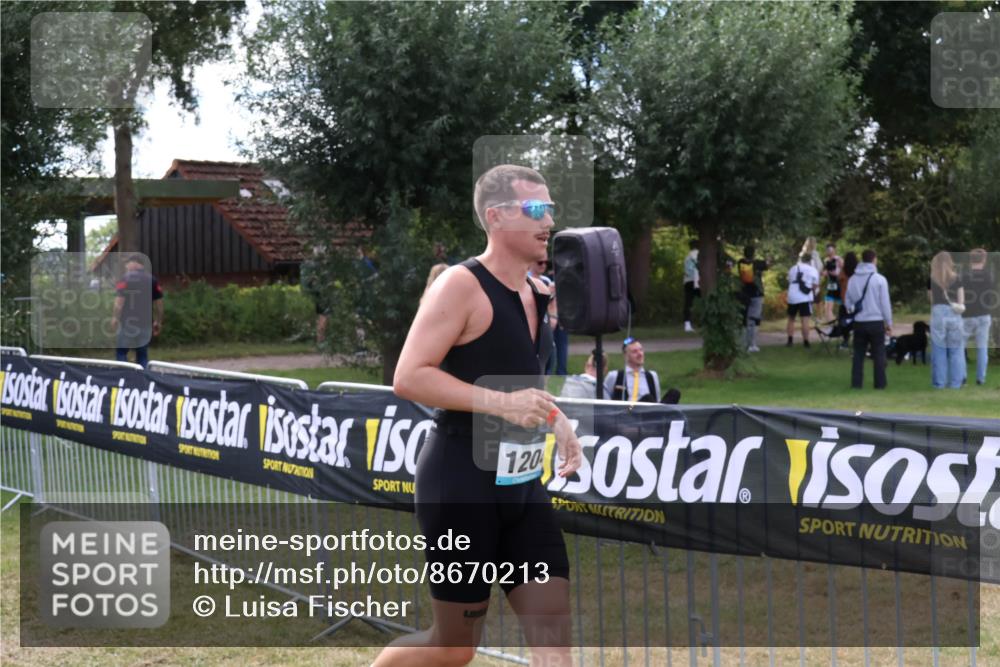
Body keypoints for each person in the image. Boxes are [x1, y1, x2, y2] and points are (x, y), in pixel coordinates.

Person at [375, 164, 581, 667]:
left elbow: (518, 379)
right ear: (495, 216)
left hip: (522, 485)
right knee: (452, 650)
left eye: (550, 208)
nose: (548, 220)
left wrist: (557, 420)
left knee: (554, 648)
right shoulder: (461, 286)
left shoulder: (537, 293)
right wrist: (501, 403)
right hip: (460, 485)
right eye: (536, 209)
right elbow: (409, 376)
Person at [845, 249, 893, 389]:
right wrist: (888, 323)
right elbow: (885, 304)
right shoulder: (879, 279)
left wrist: (854, 310)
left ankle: (856, 383)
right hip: (876, 321)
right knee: (878, 353)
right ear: (874, 260)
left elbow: (848, 303)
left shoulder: (853, 279)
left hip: (859, 322)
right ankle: (880, 384)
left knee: (858, 354)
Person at [111, 254, 164, 368]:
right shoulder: (152, 280)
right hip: (145, 323)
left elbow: (119, 303)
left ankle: (123, 379)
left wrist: (115, 318)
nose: (126, 266)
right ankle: (143, 382)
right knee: (142, 355)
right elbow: (159, 304)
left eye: (127, 263)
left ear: (135, 263)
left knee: (121, 352)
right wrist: (158, 321)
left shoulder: (125, 279)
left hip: (127, 323)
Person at [928, 250, 966, 389]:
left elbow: (931, 300)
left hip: (938, 313)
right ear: (950, 262)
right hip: (953, 314)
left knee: (939, 349)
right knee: (956, 350)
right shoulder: (957, 278)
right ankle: (956, 383)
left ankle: (939, 383)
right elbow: (961, 300)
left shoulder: (931, 279)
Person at [962, 248, 993, 385]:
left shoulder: (964, 276)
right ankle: (981, 378)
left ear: (970, 260)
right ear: (984, 260)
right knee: (982, 348)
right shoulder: (988, 276)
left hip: (967, 315)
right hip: (984, 314)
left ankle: (962, 376)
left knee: (960, 347)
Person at [604, 337, 661, 402]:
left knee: (673, 393)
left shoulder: (652, 375)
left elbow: (657, 400)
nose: (640, 354)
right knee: (648, 398)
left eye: (641, 350)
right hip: (627, 410)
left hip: (648, 410)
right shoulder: (614, 376)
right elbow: (605, 400)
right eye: (635, 352)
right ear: (626, 356)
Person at [737, 245, 769, 353]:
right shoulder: (757, 263)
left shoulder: (740, 262)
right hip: (757, 294)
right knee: (754, 320)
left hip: (744, 293)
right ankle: (752, 344)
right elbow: (767, 264)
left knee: (745, 319)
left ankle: (743, 344)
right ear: (753, 254)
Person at [785, 253, 819, 347]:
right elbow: (815, 285)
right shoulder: (812, 270)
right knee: (805, 320)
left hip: (792, 296)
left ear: (802, 259)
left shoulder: (793, 268)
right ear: (810, 260)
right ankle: (806, 341)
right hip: (804, 297)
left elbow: (789, 280)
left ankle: (790, 340)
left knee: (791, 319)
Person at [838, 251, 858, 350]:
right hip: (856, 299)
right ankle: (857, 340)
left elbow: (839, 280)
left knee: (844, 321)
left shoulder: (843, 271)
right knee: (857, 320)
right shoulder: (858, 271)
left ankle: (845, 340)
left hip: (845, 299)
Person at [821, 243, 843, 322]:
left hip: (839, 284)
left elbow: (844, 270)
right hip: (831, 283)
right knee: (827, 308)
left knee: (844, 307)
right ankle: (833, 325)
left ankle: (843, 325)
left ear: (834, 250)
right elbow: (825, 272)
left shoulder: (838, 259)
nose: (829, 251)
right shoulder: (826, 260)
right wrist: (823, 273)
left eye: (830, 249)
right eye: (827, 249)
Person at [682, 240, 699, 333]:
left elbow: (687, 270)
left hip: (688, 281)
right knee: (704, 300)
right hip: (698, 281)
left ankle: (687, 323)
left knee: (688, 303)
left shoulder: (688, 257)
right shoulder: (699, 255)